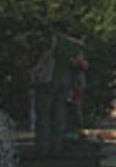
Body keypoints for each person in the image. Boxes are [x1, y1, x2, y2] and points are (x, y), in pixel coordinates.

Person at [32, 22, 86, 158]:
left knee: (44, 115)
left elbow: (45, 58)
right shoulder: (74, 44)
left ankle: (43, 148)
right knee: (59, 114)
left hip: (48, 81)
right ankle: (57, 146)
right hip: (65, 81)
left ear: (55, 29)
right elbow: (81, 63)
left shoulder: (53, 42)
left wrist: (35, 71)